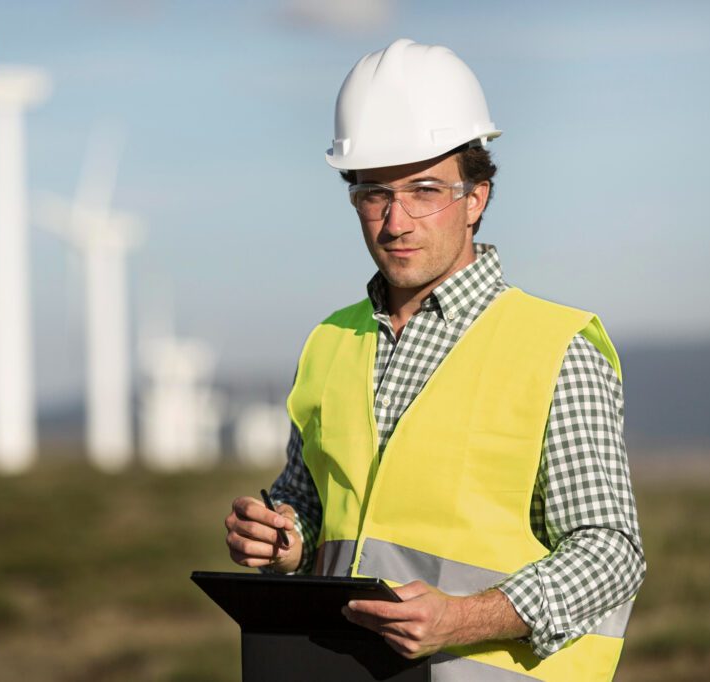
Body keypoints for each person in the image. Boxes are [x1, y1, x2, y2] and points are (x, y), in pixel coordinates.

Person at [223, 39, 644, 681]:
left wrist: (468, 617)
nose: (396, 221)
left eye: (425, 190)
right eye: (373, 194)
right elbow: (308, 505)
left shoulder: (556, 348)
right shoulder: (330, 343)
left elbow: (611, 553)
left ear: (476, 198)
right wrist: (285, 540)